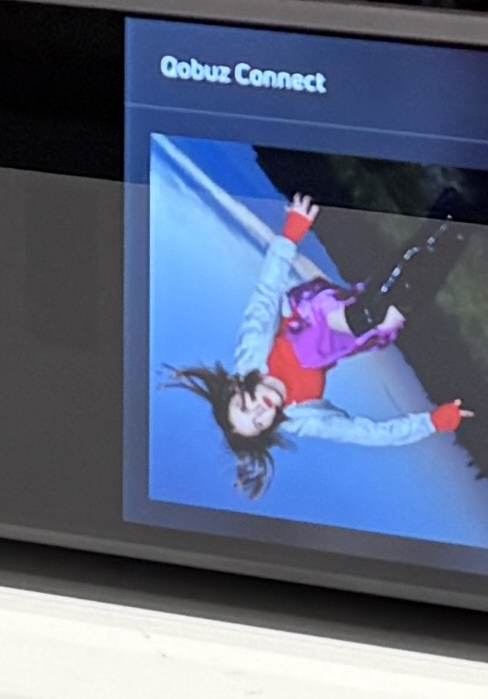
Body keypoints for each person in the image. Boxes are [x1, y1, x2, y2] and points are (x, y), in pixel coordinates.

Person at [165, 199, 470, 498]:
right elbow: (370, 434)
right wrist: (432, 423)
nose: (261, 409)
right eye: (259, 422)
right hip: (351, 338)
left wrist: (289, 237)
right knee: (404, 306)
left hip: (312, 312)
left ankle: (442, 225)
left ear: (236, 389)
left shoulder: (251, 356)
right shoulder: (303, 421)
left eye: (246, 405)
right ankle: (456, 221)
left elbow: (266, 294)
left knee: (357, 321)